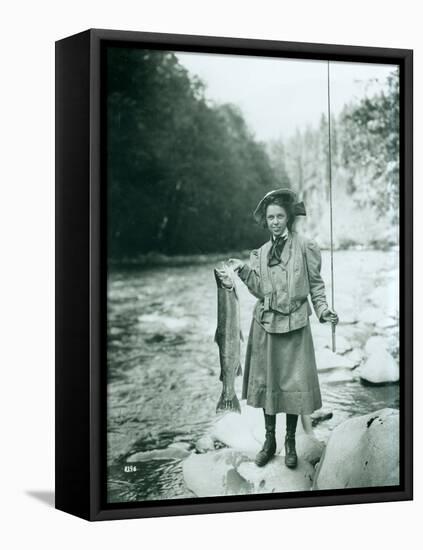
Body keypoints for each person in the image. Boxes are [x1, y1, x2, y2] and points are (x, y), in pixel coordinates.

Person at [228, 188, 338, 469]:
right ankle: (269, 441)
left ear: (288, 218)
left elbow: (316, 286)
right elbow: (259, 290)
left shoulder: (306, 247)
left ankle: (290, 440)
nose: (275, 221)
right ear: (266, 221)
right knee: (269, 384)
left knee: (293, 386)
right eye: (270, 217)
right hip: (265, 326)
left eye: (279, 216)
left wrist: (324, 310)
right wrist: (242, 271)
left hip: (296, 325)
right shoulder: (260, 253)